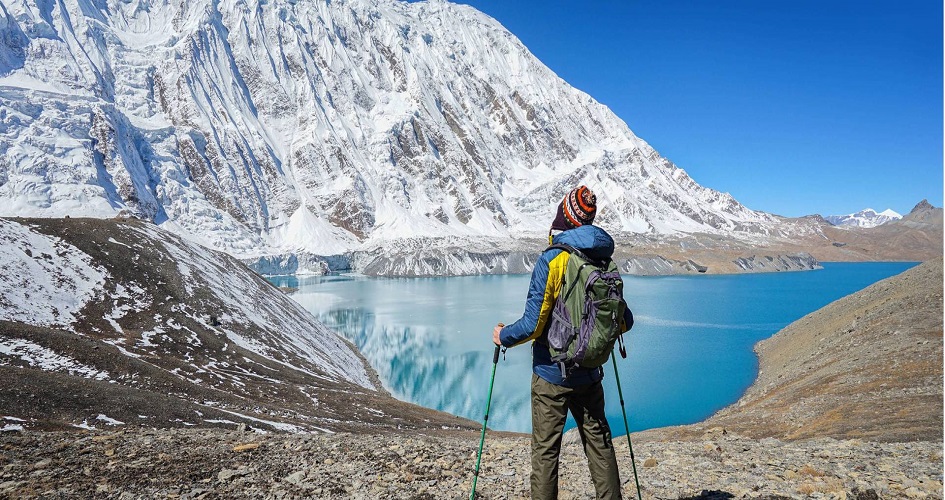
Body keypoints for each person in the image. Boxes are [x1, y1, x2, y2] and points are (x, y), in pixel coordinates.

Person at [492, 185, 631, 500]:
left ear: (565, 218)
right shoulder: (603, 260)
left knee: (546, 453)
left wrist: (503, 336)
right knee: (599, 445)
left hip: (551, 374)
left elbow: (533, 324)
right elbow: (625, 320)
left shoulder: (554, 258)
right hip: (591, 372)